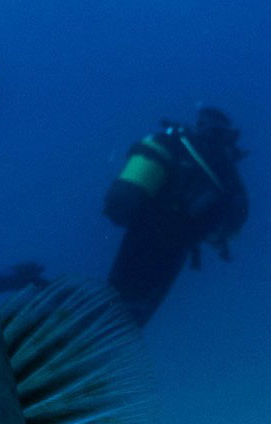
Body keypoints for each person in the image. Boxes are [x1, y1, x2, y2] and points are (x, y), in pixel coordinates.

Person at [103, 106, 249, 327]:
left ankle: (67, 337)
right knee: (128, 316)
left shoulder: (174, 145)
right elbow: (233, 219)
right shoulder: (217, 163)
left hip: (143, 232)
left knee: (115, 303)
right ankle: (89, 349)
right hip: (172, 245)